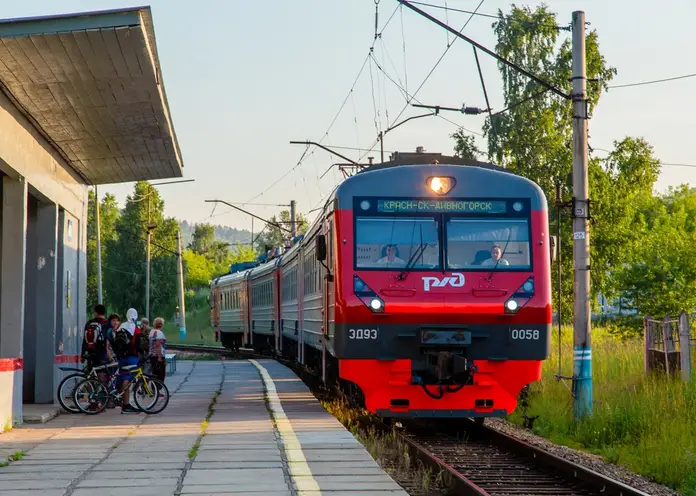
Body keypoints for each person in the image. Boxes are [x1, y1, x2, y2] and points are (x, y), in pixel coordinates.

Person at [112, 308, 142, 414]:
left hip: (121, 358)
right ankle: (125, 405)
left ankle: (124, 403)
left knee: (122, 377)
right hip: (132, 357)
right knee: (128, 379)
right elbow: (138, 345)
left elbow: (115, 342)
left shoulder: (121, 326)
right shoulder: (135, 328)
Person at [149, 317, 167, 382]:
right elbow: (158, 345)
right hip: (158, 356)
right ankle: (157, 390)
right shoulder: (159, 332)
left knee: (155, 374)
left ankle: (155, 390)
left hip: (152, 356)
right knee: (160, 375)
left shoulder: (152, 332)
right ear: (161, 324)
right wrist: (159, 357)